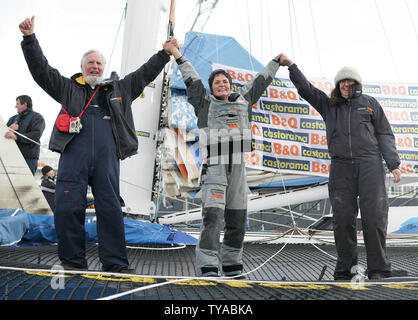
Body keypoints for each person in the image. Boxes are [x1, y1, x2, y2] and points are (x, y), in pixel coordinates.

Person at [19, 16, 175, 273]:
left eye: (99, 63)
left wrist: (163, 53)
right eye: (90, 63)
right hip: (73, 156)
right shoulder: (67, 88)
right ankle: (72, 261)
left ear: (104, 68)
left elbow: (145, 73)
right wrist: (29, 39)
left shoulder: (121, 88)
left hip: (107, 158)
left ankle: (115, 263)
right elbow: (41, 70)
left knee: (111, 209)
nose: (95, 67)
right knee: (68, 207)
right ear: (82, 67)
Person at [278, 54, 402, 280]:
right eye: (342, 81)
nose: (346, 84)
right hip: (341, 168)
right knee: (343, 219)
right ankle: (346, 269)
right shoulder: (329, 105)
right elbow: (306, 90)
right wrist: (292, 66)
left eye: (350, 81)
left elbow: (385, 134)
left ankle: (379, 269)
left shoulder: (371, 104)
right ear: (338, 85)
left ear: (357, 84)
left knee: (374, 218)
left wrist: (393, 164)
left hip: (370, 166)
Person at [164, 40, 281, 278]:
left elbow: (261, 80)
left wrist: (276, 61)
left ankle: (231, 265)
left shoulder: (244, 101)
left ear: (231, 86)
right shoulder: (204, 103)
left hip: (238, 167)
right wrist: (176, 54)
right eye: (217, 82)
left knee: (237, 219)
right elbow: (191, 78)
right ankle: (207, 265)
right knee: (213, 217)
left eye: (225, 81)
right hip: (215, 166)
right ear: (211, 88)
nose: (222, 85)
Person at [5, 95, 45, 175]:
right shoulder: (13, 118)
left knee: (26, 185)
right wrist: (9, 128)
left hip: (29, 158)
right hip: (13, 157)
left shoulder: (38, 118)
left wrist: (16, 136)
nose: (15, 106)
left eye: (17, 104)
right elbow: (4, 134)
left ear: (25, 104)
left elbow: (35, 136)